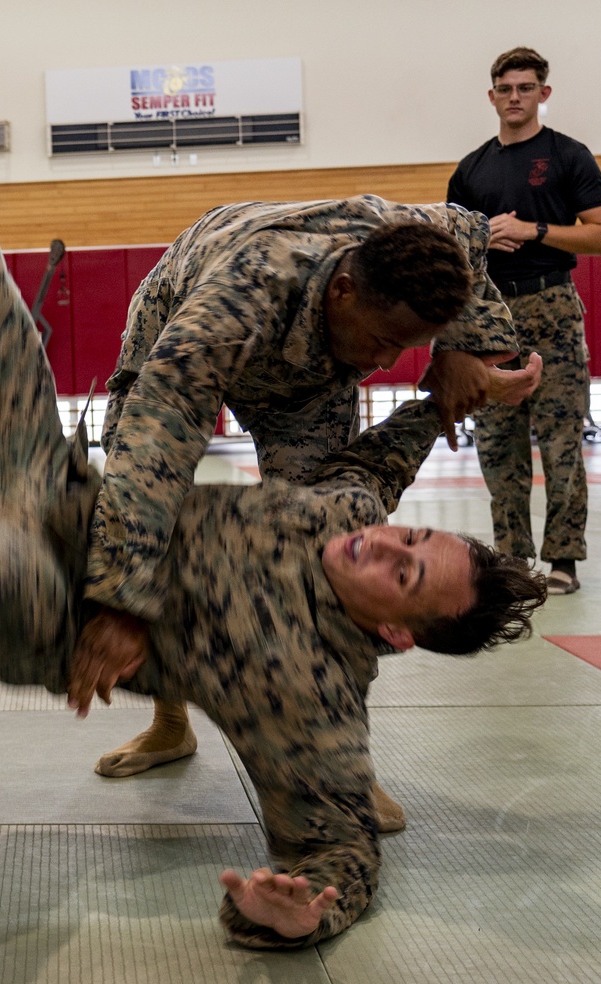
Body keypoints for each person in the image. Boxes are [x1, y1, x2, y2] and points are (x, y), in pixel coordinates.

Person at [0, 11, 547, 950]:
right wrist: (130, 595)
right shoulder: (254, 326)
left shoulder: (307, 687)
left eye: (406, 570)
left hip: (44, 601)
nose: (386, 536)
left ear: (392, 632)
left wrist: (303, 904)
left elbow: (339, 852)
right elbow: (166, 430)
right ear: (346, 290)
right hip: (56, 473)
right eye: (414, 534)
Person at [85, 117, 519, 804]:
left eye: (399, 350)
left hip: (309, 373)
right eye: (380, 341)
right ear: (344, 291)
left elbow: (470, 234)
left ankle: (343, 756)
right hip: (181, 318)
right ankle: (171, 721)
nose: (382, 365)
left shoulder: (415, 235)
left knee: (333, 549)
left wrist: (461, 347)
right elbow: (149, 460)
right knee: (159, 524)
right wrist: (121, 597)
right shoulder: (228, 310)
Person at [447, 46, 601, 596]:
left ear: (543, 93)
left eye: (525, 88)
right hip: (492, 314)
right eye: (505, 88)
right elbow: (451, 252)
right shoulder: (472, 169)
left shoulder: (569, 156)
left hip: (553, 307)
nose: (514, 97)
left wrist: (535, 231)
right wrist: (479, 240)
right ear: (491, 95)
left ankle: (565, 559)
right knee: (498, 442)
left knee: (563, 439)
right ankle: (512, 559)